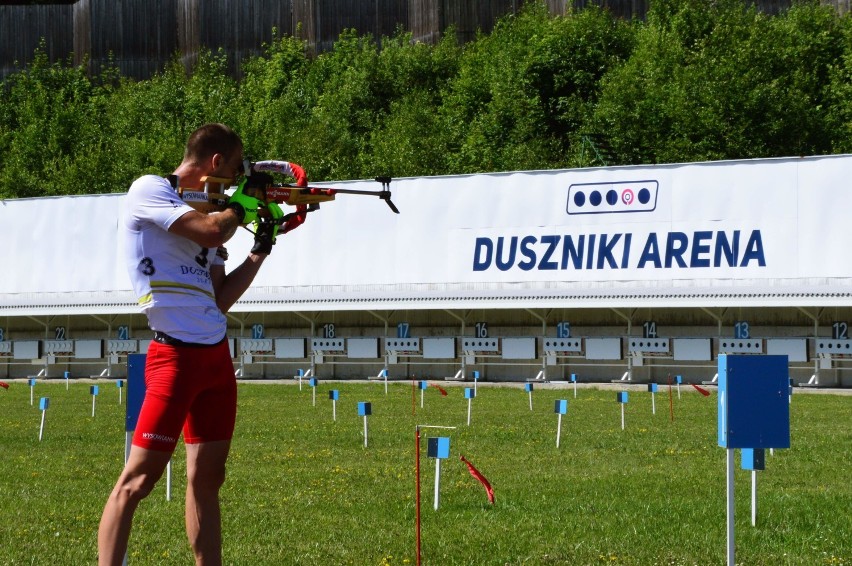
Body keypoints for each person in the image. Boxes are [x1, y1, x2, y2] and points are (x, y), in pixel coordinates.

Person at [98, 123, 308, 566]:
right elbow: (213, 230)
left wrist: (260, 249)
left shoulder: (211, 210)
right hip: (172, 355)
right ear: (214, 163)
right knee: (137, 481)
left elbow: (219, 299)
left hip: (215, 357)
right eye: (232, 173)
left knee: (209, 478)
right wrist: (245, 202)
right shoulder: (149, 190)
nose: (231, 184)